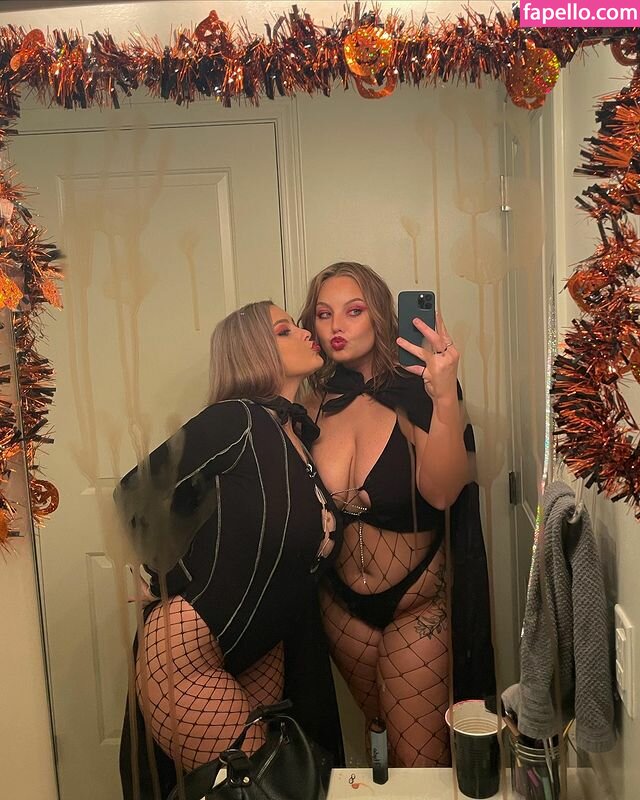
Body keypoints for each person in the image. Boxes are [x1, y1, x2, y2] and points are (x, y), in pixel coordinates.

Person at [114, 300, 343, 799]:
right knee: (258, 789)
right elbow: (135, 491)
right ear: (255, 352)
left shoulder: (294, 437)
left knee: (264, 784)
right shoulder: (234, 419)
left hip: (260, 648)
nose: (304, 331)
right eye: (285, 330)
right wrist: (162, 572)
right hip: (189, 654)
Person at [298, 262, 494, 768]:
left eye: (353, 311)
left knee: (421, 758)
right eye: (324, 314)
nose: (337, 325)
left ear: (381, 317)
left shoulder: (417, 390)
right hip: (340, 604)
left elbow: (444, 493)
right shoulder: (312, 405)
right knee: (378, 733)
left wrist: (444, 396)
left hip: (415, 602)